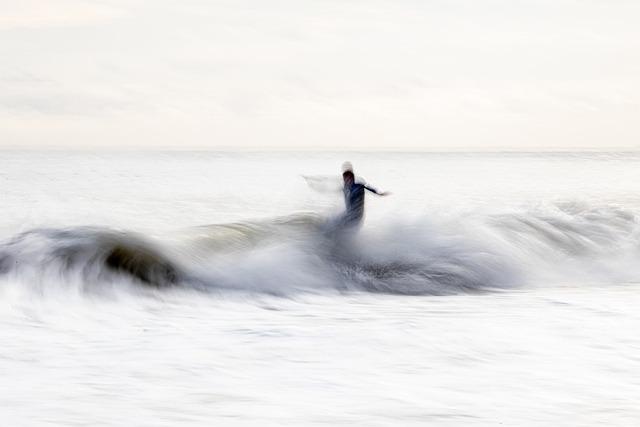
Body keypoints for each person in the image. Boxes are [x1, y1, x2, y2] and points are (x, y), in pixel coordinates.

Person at [337, 161, 389, 230]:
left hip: (357, 215)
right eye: (345, 179)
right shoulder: (345, 188)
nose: (346, 181)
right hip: (349, 213)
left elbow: (368, 187)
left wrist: (379, 193)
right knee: (337, 221)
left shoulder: (359, 186)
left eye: (348, 179)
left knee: (342, 225)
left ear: (352, 178)